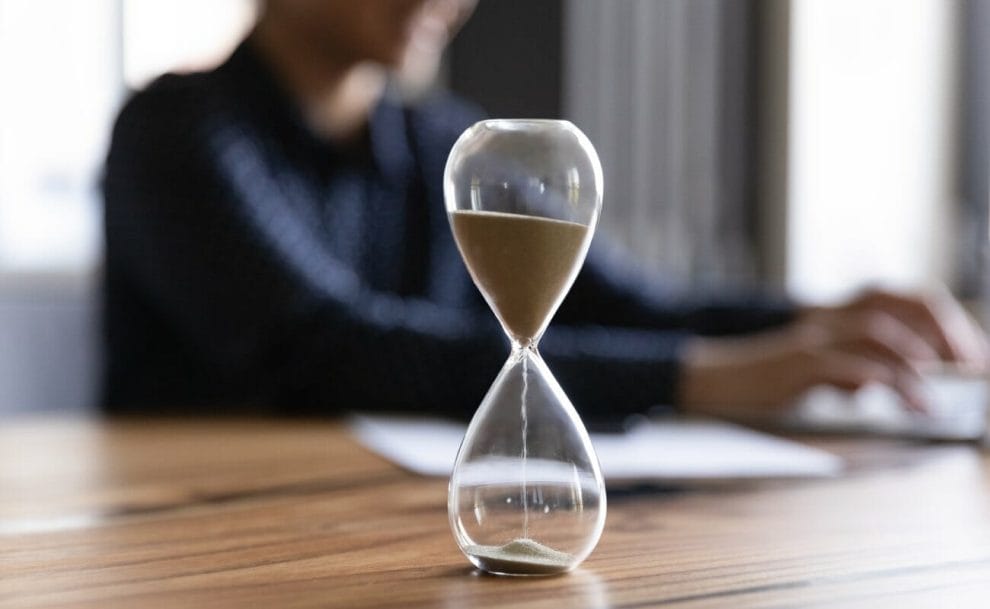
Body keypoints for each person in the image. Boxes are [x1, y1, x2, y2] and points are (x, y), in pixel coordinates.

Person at [102, 0, 989, 420]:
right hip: (212, 537)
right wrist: (709, 376)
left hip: (394, 515)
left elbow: (626, 301)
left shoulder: (448, 143)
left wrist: (819, 319)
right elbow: (329, 349)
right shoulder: (175, 132)